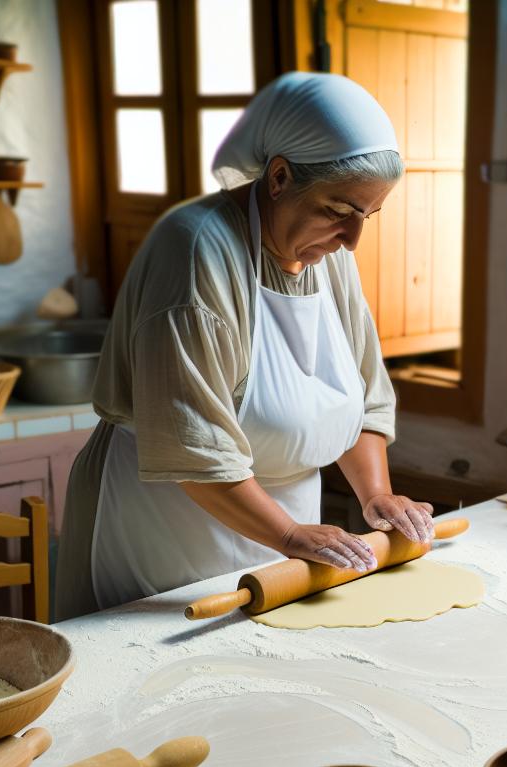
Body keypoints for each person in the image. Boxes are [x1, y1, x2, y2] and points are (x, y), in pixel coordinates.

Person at [55, 72, 433, 620]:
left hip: (287, 539)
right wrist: (287, 533)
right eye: (338, 210)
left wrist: (374, 494)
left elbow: (362, 397)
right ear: (278, 177)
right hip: (165, 527)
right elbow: (194, 449)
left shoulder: (330, 256)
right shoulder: (194, 255)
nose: (354, 240)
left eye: (367, 215)